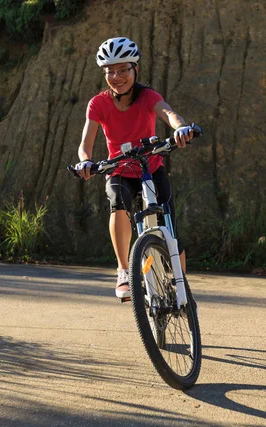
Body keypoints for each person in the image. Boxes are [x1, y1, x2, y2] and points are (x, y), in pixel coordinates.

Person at [75, 37, 193, 299]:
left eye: (123, 70)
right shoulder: (98, 104)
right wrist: (85, 160)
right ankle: (124, 270)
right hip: (119, 171)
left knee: (171, 231)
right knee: (117, 201)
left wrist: (180, 127)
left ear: (135, 69)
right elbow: (86, 144)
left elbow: (168, 113)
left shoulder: (148, 96)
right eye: (110, 72)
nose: (117, 77)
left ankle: (179, 283)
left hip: (150, 169)